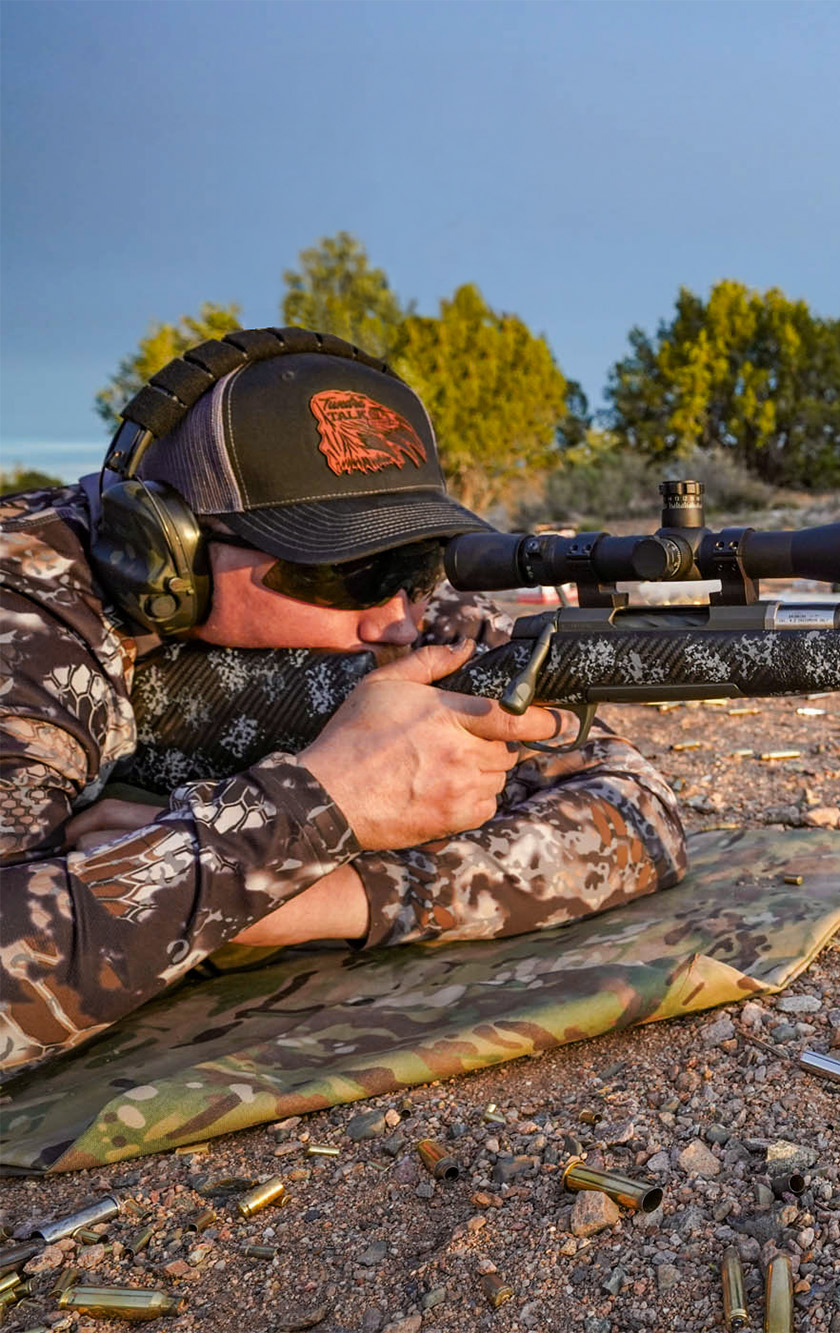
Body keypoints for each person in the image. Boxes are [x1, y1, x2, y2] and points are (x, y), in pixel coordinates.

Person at [0, 330, 686, 1075]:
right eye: (347, 572)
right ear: (170, 549)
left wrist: (330, 892)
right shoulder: (25, 619)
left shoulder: (393, 613)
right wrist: (318, 805)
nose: (396, 620)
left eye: (414, 561)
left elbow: (636, 808)